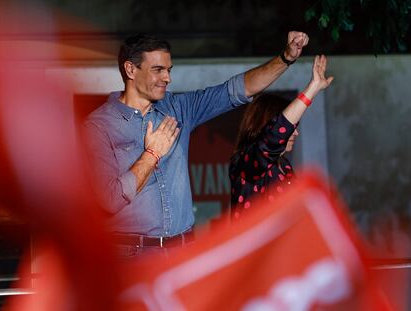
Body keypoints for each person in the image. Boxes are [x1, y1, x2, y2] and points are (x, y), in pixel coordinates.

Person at [82, 32, 309, 256]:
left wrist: (286, 58)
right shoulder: (99, 126)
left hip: (184, 249)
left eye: (168, 70)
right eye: (158, 70)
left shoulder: (179, 108)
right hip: (133, 256)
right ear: (131, 69)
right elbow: (108, 200)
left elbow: (239, 89)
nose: (167, 78)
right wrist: (152, 154)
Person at [229, 55, 333, 220]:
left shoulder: (283, 165)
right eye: (292, 127)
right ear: (266, 124)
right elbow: (273, 138)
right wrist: (311, 90)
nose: (296, 133)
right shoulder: (246, 162)